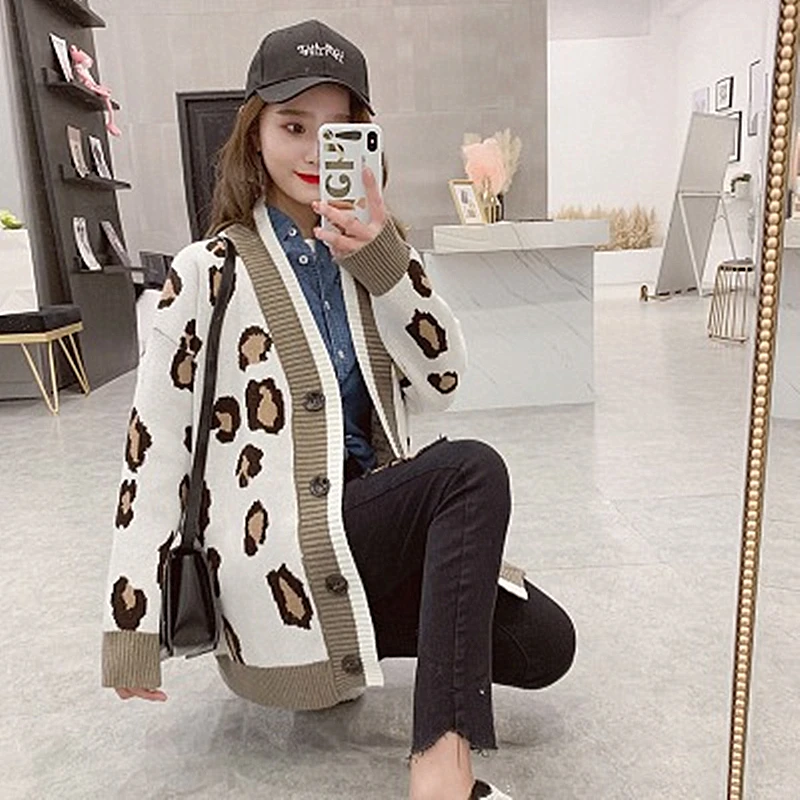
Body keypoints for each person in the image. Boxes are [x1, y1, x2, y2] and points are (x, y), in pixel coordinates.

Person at [101, 19, 575, 800]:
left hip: (364, 528)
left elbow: (445, 379)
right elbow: (154, 451)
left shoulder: (373, 255)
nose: (317, 151)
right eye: (294, 127)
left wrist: (385, 261)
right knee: (470, 471)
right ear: (255, 135)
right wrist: (131, 625)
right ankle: (442, 772)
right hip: (277, 558)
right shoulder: (207, 272)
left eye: (339, 131)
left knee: (545, 643)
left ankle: (353, 637)